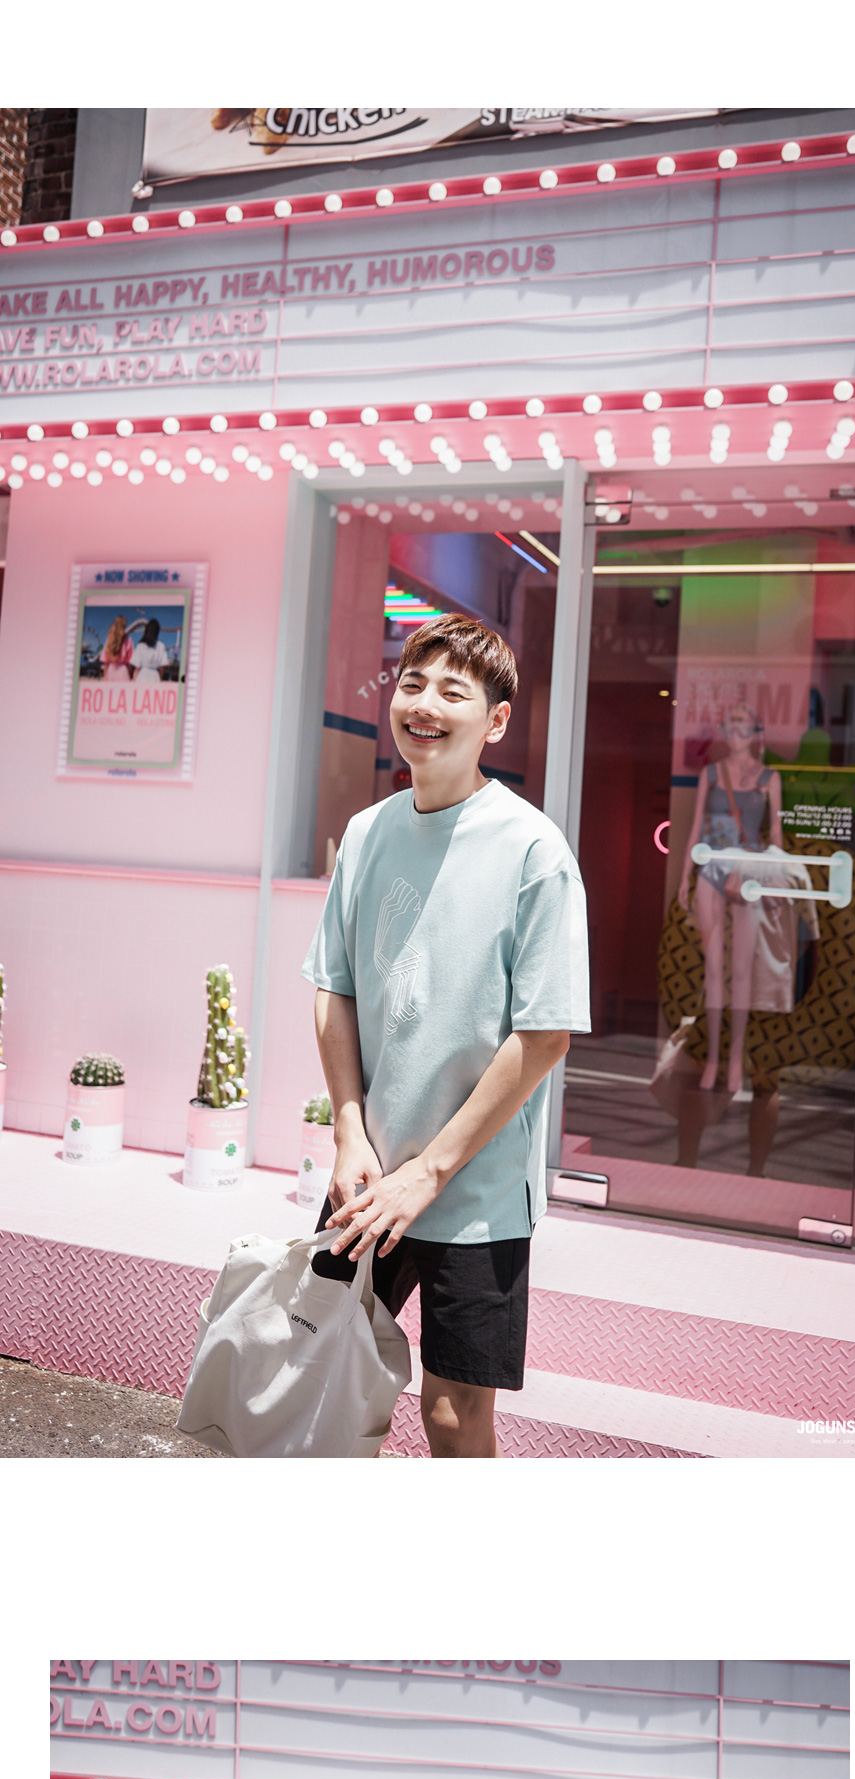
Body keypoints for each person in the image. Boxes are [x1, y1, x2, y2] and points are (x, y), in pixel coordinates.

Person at [305, 608, 591, 1460]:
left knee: (453, 1414)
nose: (424, 704)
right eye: (412, 683)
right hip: (369, 1179)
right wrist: (349, 1131)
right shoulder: (369, 831)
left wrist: (428, 1174)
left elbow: (545, 1036)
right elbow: (334, 986)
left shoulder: (534, 850)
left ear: (495, 722)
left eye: (452, 692)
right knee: (319, 1374)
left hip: (476, 1193)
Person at [678, 701, 784, 1098]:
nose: (736, 729)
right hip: (712, 866)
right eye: (731, 722)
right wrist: (686, 875)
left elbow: (776, 835)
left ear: (756, 732)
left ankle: (736, 1058)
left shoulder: (769, 777)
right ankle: (713, 1058)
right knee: (714, 967)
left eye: (743, 722)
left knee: (741, 970)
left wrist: (775, 879)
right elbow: (696, 827)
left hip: (750, 872)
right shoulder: (711, 773)